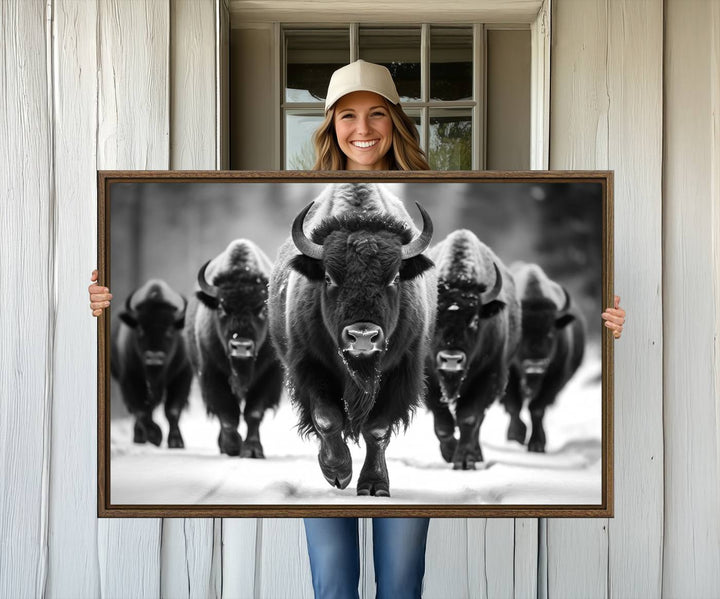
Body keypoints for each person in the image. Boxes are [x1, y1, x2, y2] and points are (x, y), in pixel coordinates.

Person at [88, 60, 626, 598]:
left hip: (389, 345)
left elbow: (410, 356)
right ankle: (327, 427)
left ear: (397, 121)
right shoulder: (303, 227)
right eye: (347, 115)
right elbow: (298, 356)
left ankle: (376, 450)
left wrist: (611, 318)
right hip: (323, 341)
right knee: (332, 577)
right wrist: (100, 302)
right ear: (329, 125)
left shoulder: (413, 230)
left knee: (401, 578)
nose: (362, 130)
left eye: (376, 115)